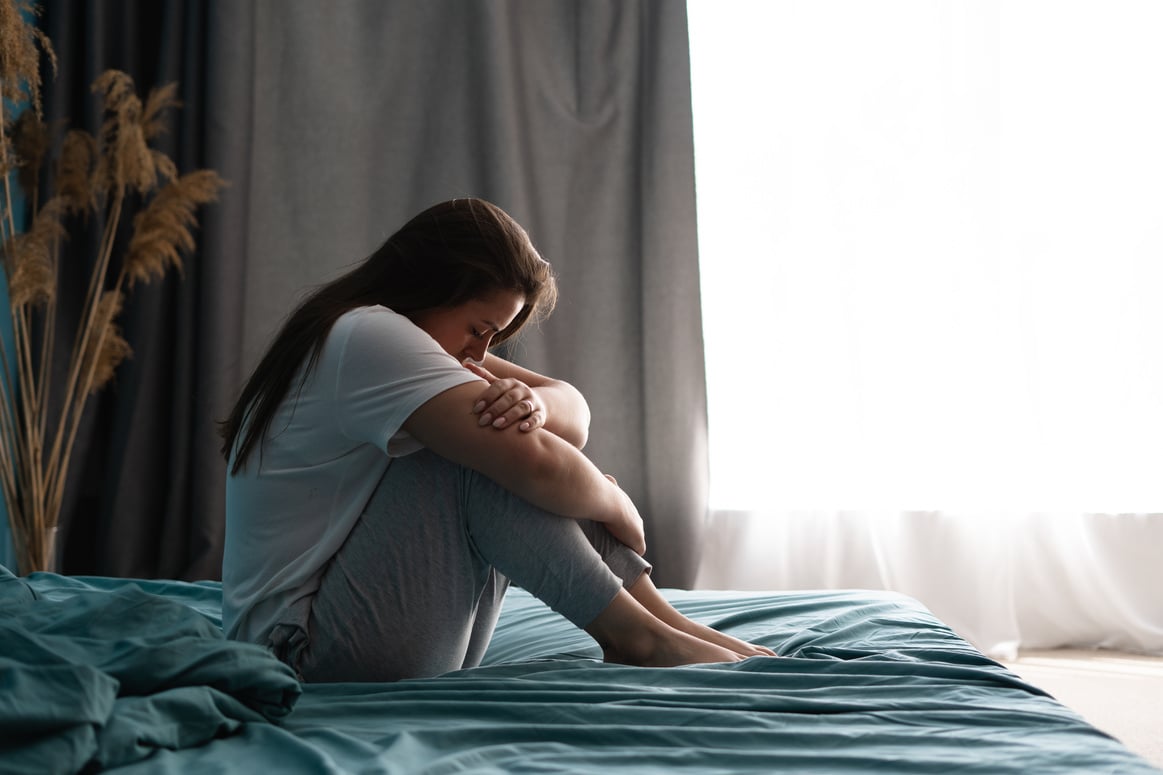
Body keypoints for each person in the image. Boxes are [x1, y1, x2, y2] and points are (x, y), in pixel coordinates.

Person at [219, 197, 774, 682]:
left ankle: (660, 623)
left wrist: (537, 403)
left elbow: (573, 411)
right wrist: (614, 498)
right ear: (429, 289)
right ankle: (638, 638)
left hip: (359, 632)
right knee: (477, 453)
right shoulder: (369, 336)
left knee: (505, 431)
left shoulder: (401, 340)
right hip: (299, 654)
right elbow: (538, 468)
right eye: (479, 329)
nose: (481, 354)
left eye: (496, 337)